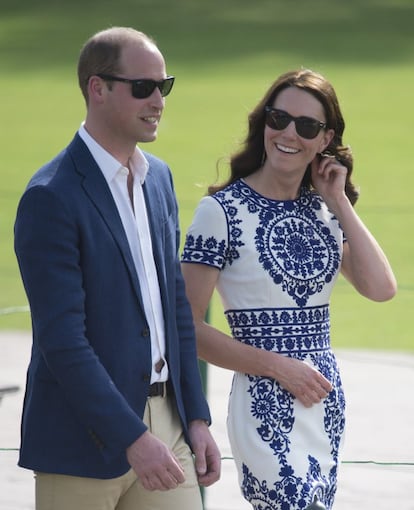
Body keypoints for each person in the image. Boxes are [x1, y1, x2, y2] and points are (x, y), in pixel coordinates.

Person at [14, 26, 220, 510]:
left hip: (169, 427)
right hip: (81, 441)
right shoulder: (50, 197)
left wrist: (195, 418)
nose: (158, 101)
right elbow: (63, 341)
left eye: (164, 86)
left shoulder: (159, 180)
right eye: (143, 87)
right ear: (98, 88)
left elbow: (175, 309)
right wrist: (132, 436)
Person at [181, 68, 397, 510]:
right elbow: (187, 327)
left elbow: (380, 288)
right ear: (264, 122)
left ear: (325, 139)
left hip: (323, 403)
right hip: (264, 406)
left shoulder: (324, 210)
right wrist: (281, 369)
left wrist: (338, 200)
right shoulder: (220, 212)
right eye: (278, 119)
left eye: (307, 126)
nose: (288, 133)